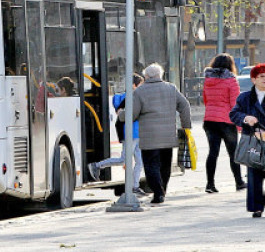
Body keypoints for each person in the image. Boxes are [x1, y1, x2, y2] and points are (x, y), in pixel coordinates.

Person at [129, 63, 192, 205]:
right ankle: (162, 190)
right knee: (165, 166)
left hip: (149, 138)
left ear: (146, 76)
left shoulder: (139, 91)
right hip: (168, 136)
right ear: (160, 75)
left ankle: (158, 192)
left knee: (151, 165)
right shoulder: (171, 88)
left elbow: (132, 114)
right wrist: (186, 125)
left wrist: (121, 115)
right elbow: (185, 105)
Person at [230, 63, 265, 218]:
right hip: (254, 141)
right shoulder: (245, 97)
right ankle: (256, 207)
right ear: (253, 80)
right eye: (261, 76)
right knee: (254, 173)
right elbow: (234, 114)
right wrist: (246, 118)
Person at [88, 73, 146, 196]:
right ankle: (97, 165)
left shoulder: (131, 97)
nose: (143, 88)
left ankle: (135, 186)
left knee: (139, 161)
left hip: (137, 133)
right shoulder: (131, 97)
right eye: (140, 85)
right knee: (123, 160)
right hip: (131, 133)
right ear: (133, 86)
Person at [202, 53, 247, 193]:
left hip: (209, 120)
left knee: (213, 152)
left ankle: (210, 184)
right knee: (233, 153)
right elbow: (235, 104)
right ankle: (239, 182)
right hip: (227, 121)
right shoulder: (231, 81)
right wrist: (239, 124)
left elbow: (205, 100)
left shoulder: (207, 80)